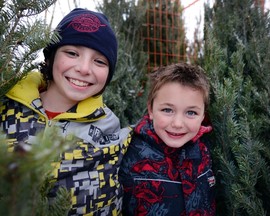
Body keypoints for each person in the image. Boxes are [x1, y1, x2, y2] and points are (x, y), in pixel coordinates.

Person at [0, 8, 131, 215]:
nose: (84, 68)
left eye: (99, 61)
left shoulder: (109, 128)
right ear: (50, 58)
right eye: (72, 53)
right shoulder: (6, 103)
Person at [119, 63, 216, 215]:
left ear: (203, 116)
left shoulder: (203, 151)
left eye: (191, 112)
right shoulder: (128, 155)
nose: (177, 124)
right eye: (167, 110)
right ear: (151, 110)